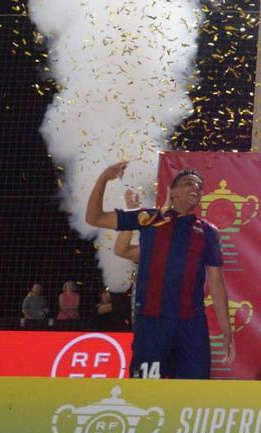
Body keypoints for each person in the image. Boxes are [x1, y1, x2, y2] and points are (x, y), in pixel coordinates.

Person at [86, 161, 235, 379]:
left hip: (191, 324)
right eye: (188, 183)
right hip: (152, 322)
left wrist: (226, 331)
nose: (196, 188)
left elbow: (217, 284)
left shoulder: (208, 232)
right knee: (145, 392)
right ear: (172, 192)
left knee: (194, 392)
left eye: (199, 186)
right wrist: (103, 180)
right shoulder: (149, 218)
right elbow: (94, 218)